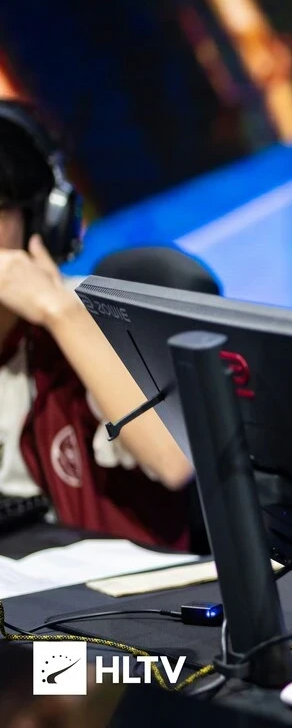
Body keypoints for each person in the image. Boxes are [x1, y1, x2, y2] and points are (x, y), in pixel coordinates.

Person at [0, 101, 193, 549]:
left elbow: (175, 461)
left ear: (42, 220)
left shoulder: (87, 320)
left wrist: (61, 314)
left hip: (121, 582)